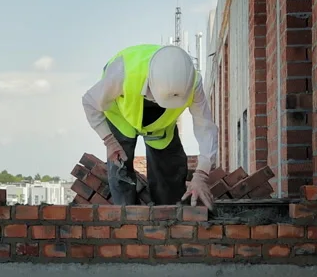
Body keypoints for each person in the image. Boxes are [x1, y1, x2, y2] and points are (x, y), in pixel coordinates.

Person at [82, 44, 218, 208]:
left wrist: (201, 175)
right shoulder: (123, 73)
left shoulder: (192, 83)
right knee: (121, 174)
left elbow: (205, 127)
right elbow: (89, 102)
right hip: (121, 117)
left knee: (170, 183)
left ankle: (169, 221)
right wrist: (109, 141)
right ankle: (126, 222)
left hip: (161, 127)